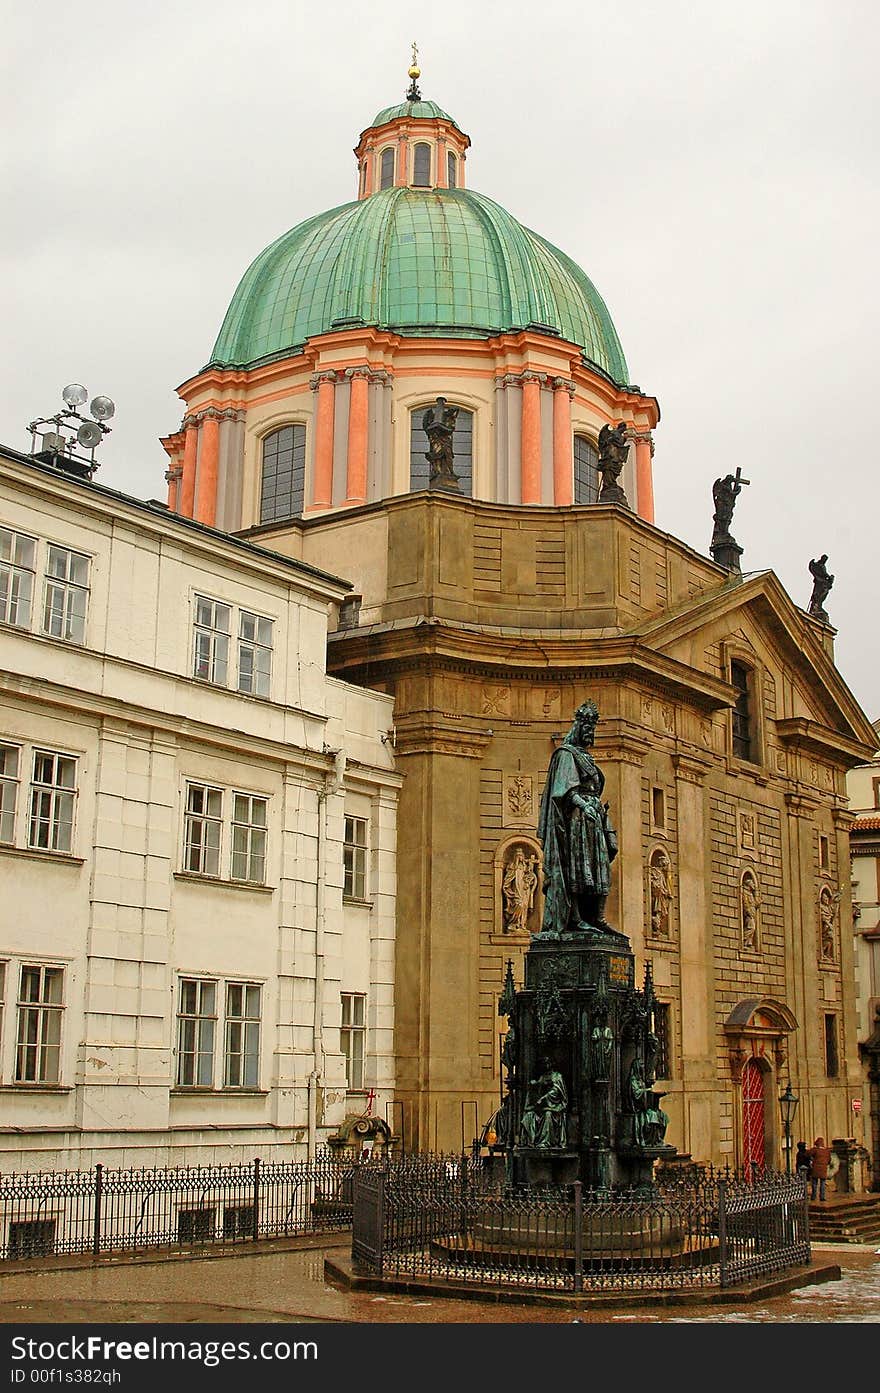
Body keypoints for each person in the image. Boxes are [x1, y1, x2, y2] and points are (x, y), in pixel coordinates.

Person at [536, 699, 627, 942]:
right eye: (587, 729)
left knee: (599, 866)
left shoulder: (586, 756)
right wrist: (583, 804)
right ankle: (575, 917)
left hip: (594, 819)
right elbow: (565, 788)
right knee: (578, 866)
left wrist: (594, 808)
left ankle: (597, 917)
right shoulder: (566, 754)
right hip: (578, 820)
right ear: (579, 728)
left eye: (592, 730)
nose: (590, 734)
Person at [518, 1061, 568, 1149]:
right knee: (529, 1116)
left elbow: (557, 1091)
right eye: (543, 1063)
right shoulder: (542, 1077)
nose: (545, 1065)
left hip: (554, 1108)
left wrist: (544, 1098)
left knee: (547, 1115)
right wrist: (535, 1085)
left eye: (547, 1063)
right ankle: (529, 1141)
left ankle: (546, 1142)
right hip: (541, 1108)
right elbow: (538, 1089)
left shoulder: (557, 1076)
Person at [808, 1135, 832, 1201]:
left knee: (814, 1183)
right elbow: (829, 1160)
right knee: (823, 1183)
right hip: (824, 1168)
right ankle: (822, 1197)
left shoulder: (815, 1150)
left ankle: (814, 1196)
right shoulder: (827, 1151)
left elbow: (808, 1154)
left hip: (816, 1168)